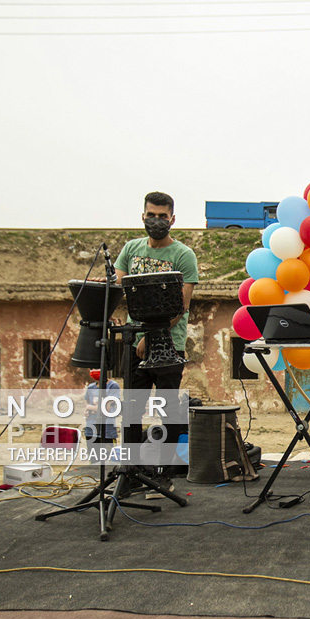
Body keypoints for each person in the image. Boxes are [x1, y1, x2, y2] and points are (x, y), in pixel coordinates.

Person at [113, 191, 199, 498]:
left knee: (167, 410)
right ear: (143, 216)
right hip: (133, 344)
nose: (157, 221)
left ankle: (164, 475)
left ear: (172, 220)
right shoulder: (130, 249)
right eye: (152, 215)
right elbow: (117, 287)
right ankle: (132, 473)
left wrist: (150, 337)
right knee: (132, 411)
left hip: (168, 346)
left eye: (163, 216)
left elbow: (181, 305)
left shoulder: (183, 255)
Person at [83, 369, 120, 444]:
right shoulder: (91, 387)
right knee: (92, 453)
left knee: (107, 452)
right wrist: (87, 409)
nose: (93, 370)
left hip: (106, 427)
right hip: (91, 425)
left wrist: (89, 407)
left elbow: (106, 409)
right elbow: (86, 400)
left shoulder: (112, 386)